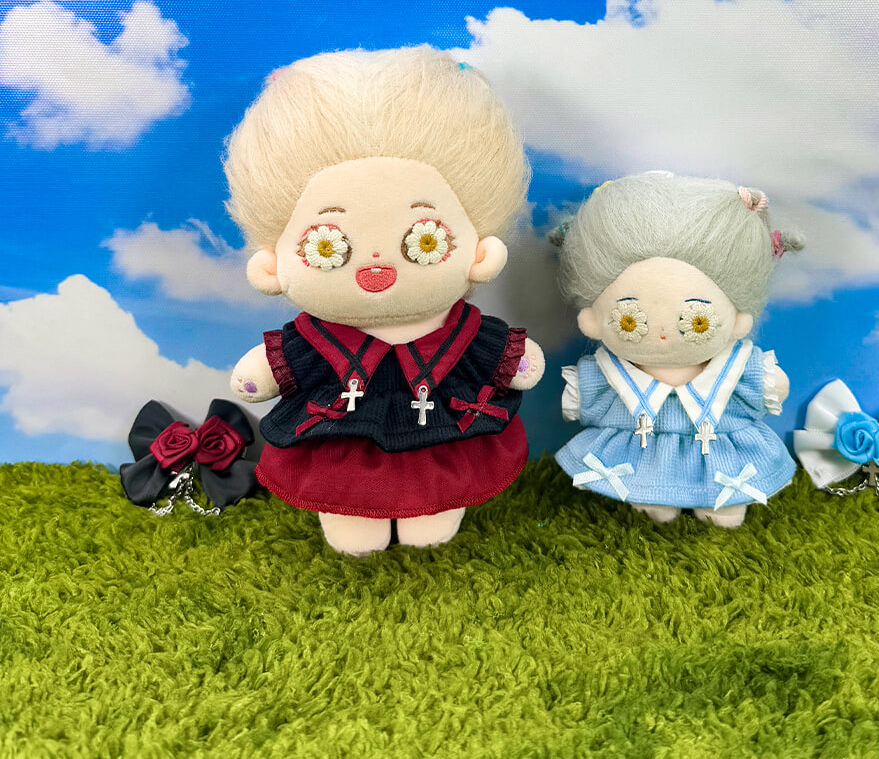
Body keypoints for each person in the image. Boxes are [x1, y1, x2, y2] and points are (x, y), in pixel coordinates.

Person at [224, 47, 544, 555]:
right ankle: (354, 519)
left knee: (434, 509)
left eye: (424, 239)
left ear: (479, 254)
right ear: (272, 266)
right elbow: (272, 368)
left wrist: (517, 360)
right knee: (347, 502)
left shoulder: (462, 334)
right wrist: (260, 373)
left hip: (441, 431)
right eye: (327, 245)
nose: (377, 265)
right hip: (340, 437)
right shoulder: (314, 341)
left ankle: (431, 514)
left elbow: (507, 358)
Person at [551, 172, 802, 528]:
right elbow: (587, 398)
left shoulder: (739, 372)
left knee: (723, 508)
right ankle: (654, 500)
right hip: (640, 465)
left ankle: (717, 505)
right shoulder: (607, 375)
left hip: (725, 468)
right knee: (651, 506)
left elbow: (768, 386)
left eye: (698, 320)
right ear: (592, 320)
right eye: (629, 320)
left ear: (738, 320)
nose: (663, 334)